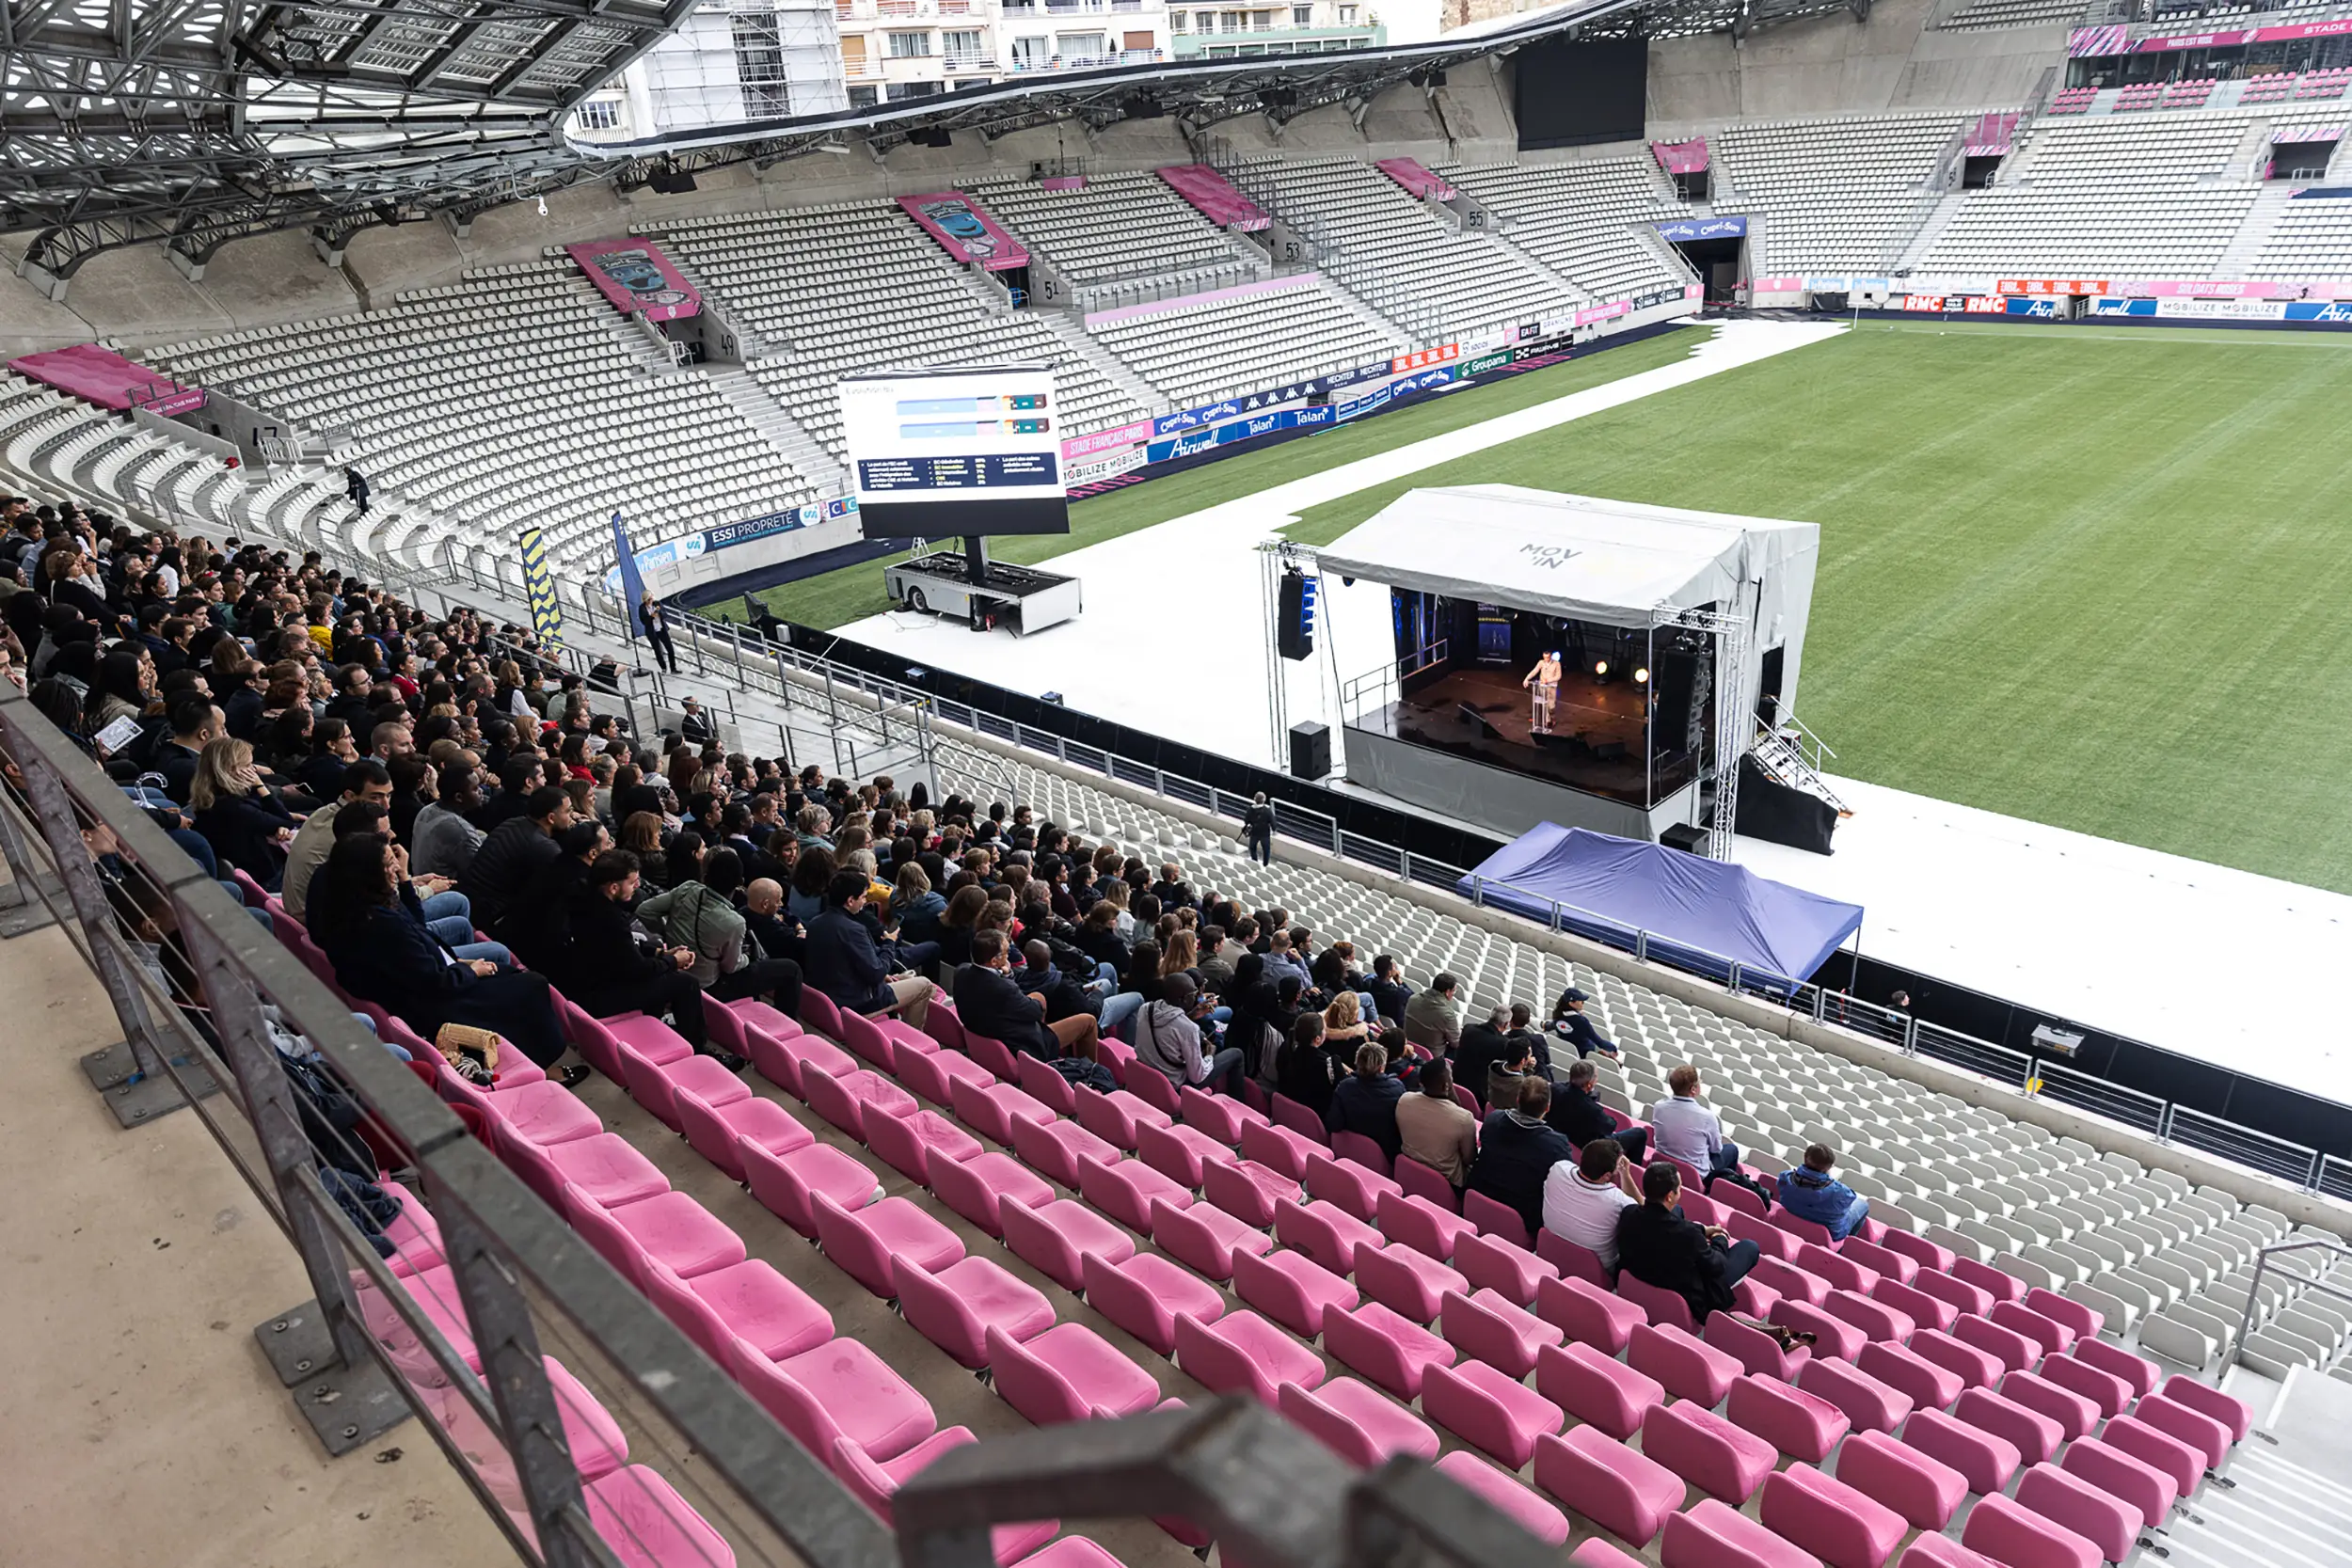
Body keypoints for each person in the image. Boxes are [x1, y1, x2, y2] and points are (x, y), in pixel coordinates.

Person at [307, 834, 579, 1080]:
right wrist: (471, 971)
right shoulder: (380, 923)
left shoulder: (349, 903)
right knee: (531, 985)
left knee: (509, 974)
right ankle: (540, 1066)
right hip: (430, 1004)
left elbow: (415, 925)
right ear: (367, 872)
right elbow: (435, 981)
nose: (397, 869)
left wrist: (403, 880)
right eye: (389, 864)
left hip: (415, 986)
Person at [553, 850, 743, 1068]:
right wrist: (674, 961)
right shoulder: (609, 919)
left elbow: (621, 949)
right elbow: (637, 969)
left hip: (592, 977)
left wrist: (661, 954)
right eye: (633, 882)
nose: (637, 886)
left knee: (657, 956)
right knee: (685, 983)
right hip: (602, 994)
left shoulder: (584, 898)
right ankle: (698, 1050)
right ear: (613, 887)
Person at [636, 847, 805, 1016]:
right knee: (792, 969)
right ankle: (787, 1019)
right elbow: (731, 967)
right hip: (712, 985)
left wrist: (669, 932)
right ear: (740, 883)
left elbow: (645, 911)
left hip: (677, 968)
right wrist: (747, 957)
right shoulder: (734, 922)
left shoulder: (687, 889)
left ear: (707, 875)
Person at [1615, 1161, 1760, 1324]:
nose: (1682, 1191)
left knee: (1676, 1211)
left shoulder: (1628, 1213)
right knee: (1750, 1247)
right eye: (1680, 1188)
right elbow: (1717, 1265)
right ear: (1670, 1195)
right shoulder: (1688, 1236)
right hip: (1687, 1290)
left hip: (1643, 1272)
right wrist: (1720, 1239)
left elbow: (1663, 1222)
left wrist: (1701, 1229)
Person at [805, 868, 933, 1027]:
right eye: (864, 897)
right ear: (851, 900)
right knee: (925, 985)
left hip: (835, 994)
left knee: (905, 978)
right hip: (857, 1003)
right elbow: (876, 973)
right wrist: (889, 943)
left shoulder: (814, 923)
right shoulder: (854, 930)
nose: (865, 901)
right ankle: (913, 1042)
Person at [951, 929, 1099, 1063]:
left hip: (988, 1027)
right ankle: (1089, 1072)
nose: (1008, 956)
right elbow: (1035, 1011)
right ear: (994, 961)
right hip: (1021, 1044)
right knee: (1089, 1021)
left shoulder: (961, 971)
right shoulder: (1004, 989)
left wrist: (1007, 974)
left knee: (1038, 996)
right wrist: (1008, 977)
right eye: (1006, 952)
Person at [1464, 1075, 1577, 1240]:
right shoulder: (1556, 1146)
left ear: (1517, 1099)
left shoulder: (1493, 1119)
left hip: (1479, 1198)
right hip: (1522, 1217)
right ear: (1547, 1108)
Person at [281, 758, 392, 919]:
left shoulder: (324, 812)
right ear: (351, 795)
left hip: (303, 910)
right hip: (317, 920)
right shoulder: (353, 837)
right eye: (376, 797)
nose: (386, 805)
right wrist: (423, 889)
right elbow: (381, 895)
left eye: (389, 796)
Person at [187, 736, 300, 890]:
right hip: (267, 879)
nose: (253, 770)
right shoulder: (233, 807)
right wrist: (260, 786)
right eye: (247, 765)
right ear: (232, 769)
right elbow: (286, 820)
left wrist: (277, 825)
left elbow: (272, 818)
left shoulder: (213, 796)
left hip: (254, 863)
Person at [460, 784, 571, 931]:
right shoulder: (543, 847)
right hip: (493, 916)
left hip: (471, 901)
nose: (572, 816)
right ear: (551, 818)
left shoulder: (512, 823)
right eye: (568, 811)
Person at [1543, 1135, 1645, 1274]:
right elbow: (1644, 1212)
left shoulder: (1558, 1169)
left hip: (1551, 1251)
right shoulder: (1619, 1202)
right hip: (1597, 1270)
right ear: (1607, 1176)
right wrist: (1625, 1174)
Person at [1134, 972, 1245, 1098]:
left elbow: (1171, 1026)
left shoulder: (1146, 1008)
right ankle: (1238, 1101)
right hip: (1174, 1085)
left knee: (1201, 1034)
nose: (1197, 996)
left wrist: (1190, 1016)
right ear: (1183, 999)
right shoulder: (1188, 1028)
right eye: (1194, 993)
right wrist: (1209, 1055)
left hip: (1146, 1073)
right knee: (1237, 1054)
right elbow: (1198, 1077)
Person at [1394, 1057, 1479, 1190]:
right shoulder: (1463, 1118)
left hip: (1409, 1173)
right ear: (1446, 1085)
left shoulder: (1404, 1100)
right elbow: (1469, 1159)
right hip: (1447, 1185)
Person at [1548, 1058, 1648, 1164]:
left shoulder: (1554, 1089)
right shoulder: (1592, 1110)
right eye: (1596, 1076)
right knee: (1640, 1133)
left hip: (1561, 1135)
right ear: (1590, 1084)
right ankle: (1632, 1170)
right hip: (1589, 1145)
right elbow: (1610, 1126)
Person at [1649, 1064, 1740, 1180]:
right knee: (1732, 1150)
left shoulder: (1659, 1106)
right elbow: (1716, 1149)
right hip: (1695, 1174)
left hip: (1664, 1163)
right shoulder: (1707, 1117)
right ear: (1693, 1089)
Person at [1326, 1039, 1406, 1157]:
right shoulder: (1397, 1088)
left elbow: (1334, 1123)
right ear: (1381, 1068)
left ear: (1357, 1062)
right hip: (1385, 1154)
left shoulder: (1344, 1087)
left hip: (1350, 1152)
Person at [1776, 1144, 1870, 1241]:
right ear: (1828, 1167)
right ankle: (1845, 1244)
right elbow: (1850, 1198)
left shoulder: (1786, 1178)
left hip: (1791, 1217)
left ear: (1805, 1158)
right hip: (1829, 1232)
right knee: (1863, 1205)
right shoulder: (1839, 1192)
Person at [1454, 1004, 1520, 1110]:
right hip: (1480, 1097)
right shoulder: (1503, 1044)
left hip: (1455, 1082)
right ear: (1506, 1024)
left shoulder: (1468, 1029)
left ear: (1488, 1017)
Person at [1403, 971, 1463, 1055]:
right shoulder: (1447, 1014)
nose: (1453, 994)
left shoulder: (1413, 998)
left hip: (1408, 1047)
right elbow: (1456, 1043)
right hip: (1430, 1056)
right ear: (1447, 992)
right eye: (1454, 991)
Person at [1549, 986, 1618, 1060]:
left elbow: (1553, 1025)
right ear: (1571, 1003)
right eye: (1581, 1001)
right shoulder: (1582, 1021)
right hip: (1584, 1053)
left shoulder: (1558, 1015)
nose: (1583, 1003)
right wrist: (1614, 1048)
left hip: (1568, 1050)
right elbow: (1599, 1042)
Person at [1365, 954, 1413, 1029]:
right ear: (1389, 973)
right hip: (1398, 1026)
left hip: (1377, 1022)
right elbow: (1412, 996)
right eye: (1394, 967)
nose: (1396, 969)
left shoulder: (1368, 984)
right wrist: (1398, 980)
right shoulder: (1398, 994)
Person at [1522, 648, 1563, 732]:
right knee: (1545, 704)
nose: (1546, 659)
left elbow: (1558, 676)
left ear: (1550, 656)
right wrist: (1527, 678)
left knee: (1551, 706)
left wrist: (1548, 680)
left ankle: (1552, 718)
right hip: (1542, 687)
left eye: (1547, 657)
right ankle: (1547, 722)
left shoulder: (1556, 664)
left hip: (1552, 687)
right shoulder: (1541, 663)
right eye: (1544, 657)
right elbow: (1534, 671)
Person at [641, 593, 679, 674]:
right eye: (649, 599)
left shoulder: (657, 604)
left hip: (662, 630)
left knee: (670, 649)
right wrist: (651, 616)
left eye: (651, 599)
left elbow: (665, 614)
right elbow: (644, 621)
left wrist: (659, 612)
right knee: (658, 651)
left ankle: (673, 668)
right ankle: (664, 668)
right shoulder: (642, 608)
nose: (651, 601)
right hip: (652, 632)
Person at [1242, 791, 1274, 865]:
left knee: (1252, 847)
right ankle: (1265, 864)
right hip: (1265, 834)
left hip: (1254, 832)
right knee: (1266, 850)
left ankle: (1255, 861)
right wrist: (1274, 829)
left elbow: (1246, 820)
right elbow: (1272, 821)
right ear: (1264, 800)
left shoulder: (1250, 809)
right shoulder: (1267, 810)